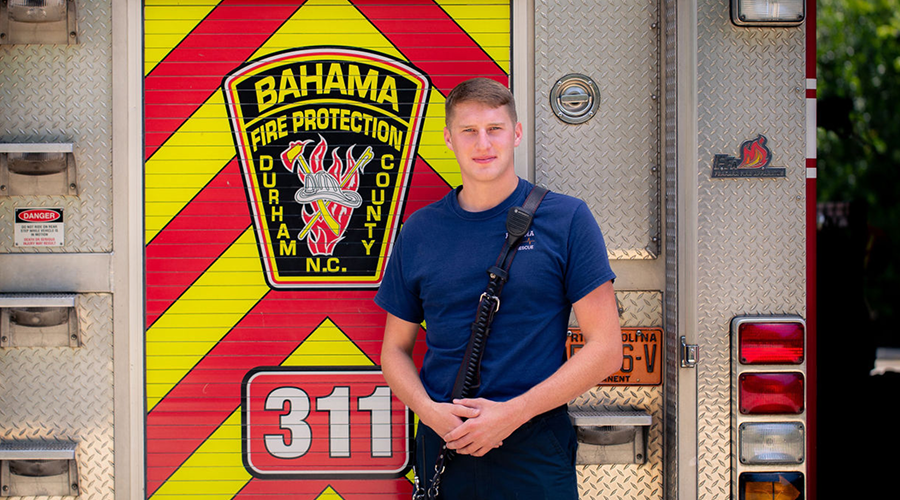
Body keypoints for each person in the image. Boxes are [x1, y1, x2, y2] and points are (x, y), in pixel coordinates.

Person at [375, 77, 622, 499]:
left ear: (517, 133)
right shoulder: (420, 230)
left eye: (495, 129)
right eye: (469, 131)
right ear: (449, 139)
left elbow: (606, 349)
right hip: (444, 444)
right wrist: (432, 415)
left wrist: (512, 414)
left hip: (532, 443)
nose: (483, 143)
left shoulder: (567, 219)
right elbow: (394, 350)